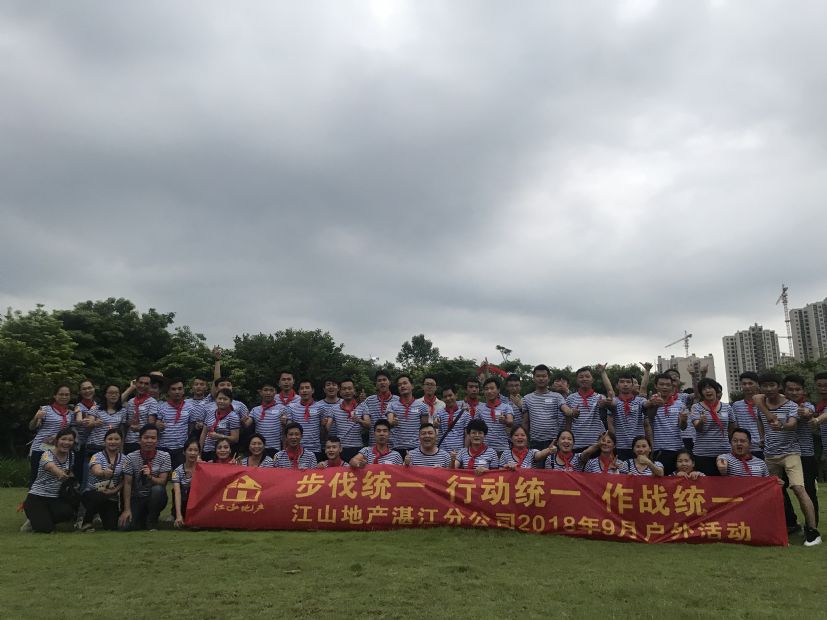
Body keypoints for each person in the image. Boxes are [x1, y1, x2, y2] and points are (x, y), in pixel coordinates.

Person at [753, 373, 821, 546]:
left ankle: (812, 531)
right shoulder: (761, 404)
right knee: (772, 492)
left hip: (794, 453)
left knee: (800, 489)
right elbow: (760, 419)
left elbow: (793, 423)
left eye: (772, 385)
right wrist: (762, 436)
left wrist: (781, 424)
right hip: (770, 455)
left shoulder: (795, 406)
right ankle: (781, 527)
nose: (769, 389)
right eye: (765, 386)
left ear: (778, 387)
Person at [23, 427, 78, 533]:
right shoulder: (46, 454)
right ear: (57, 440)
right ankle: (34, 520)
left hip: (56, 497)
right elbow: (50, 466)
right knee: (47, 529)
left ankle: (40, 519)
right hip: (37, 497)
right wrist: (60, 473)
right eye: (63, 439)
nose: (66, 442)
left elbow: (70, 471)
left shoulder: (71, 455)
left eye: (70, 440)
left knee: (68, 512)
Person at [118, 424, 172, 531]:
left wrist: (150, 477)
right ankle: (142, 520)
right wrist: (126, 509)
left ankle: (152, 520)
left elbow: (163, 481)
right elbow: (127, 484)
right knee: (124, 527)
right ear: (139, 439)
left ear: (157, 440)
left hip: (154, 497)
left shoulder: (165, 456)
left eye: (153, 438)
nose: (149, 441)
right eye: (146, 437)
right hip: (137, 497)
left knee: (158, 489)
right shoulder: (130, 457)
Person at [783, 374, 819, 525]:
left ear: (803, 391)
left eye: (798, 389)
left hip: (805, 455)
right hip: (783, 455)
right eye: (790, 389)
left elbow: (809, 412)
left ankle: (812, 526)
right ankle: (791, 522)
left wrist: (806, 413)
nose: (794, 392)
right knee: (779, 490)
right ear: (784, 390)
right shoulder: (779, 406)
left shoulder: (807, 405)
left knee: (809, 491)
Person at [28, 385, 76, 487]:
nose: (64, 397)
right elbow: (32, 427)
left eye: (67, 395)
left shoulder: (71, 414)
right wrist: (36, 418)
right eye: (61, 394)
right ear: (55, 396)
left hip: (58, 450)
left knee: (56, 478)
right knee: (36, 477)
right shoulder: (45, 409)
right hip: (41, 448)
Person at [80, 428, 124, 531]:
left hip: (111, 496)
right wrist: (104, 473)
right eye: (110, 439)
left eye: (116, 439)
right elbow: (96, 470)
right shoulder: (96, 456)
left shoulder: (125, 459)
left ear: (121, 441)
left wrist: (114, 490)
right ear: (104, 441)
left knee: (112, 527)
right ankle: (86, 522)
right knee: (99, 496)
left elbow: (125, 480)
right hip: (93, 492)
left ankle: (101, 518)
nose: (113, 442)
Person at [521, 365, 572, 455]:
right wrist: (525, 441)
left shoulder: (557, 396)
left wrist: (570, 411)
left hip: (554, 441)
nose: (541, 378)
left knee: (553, 464)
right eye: (538, 376)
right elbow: (525, 422)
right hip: (534, 442)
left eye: (544, 376)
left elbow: (565, 409)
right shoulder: (527, 398)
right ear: (533, 378)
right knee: (537, 464)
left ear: (548, 378)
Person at [646, 373, 689, 475]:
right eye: (661, 384)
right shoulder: (651, 403)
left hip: (678, 450)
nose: (665, 387)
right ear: (656, 386)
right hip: (660, 450)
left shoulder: (679, 404)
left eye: (668, 385)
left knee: (678, 480)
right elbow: (650, 416)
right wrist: (656, 405)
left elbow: (683, 427)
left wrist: (683, 421)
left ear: (672, 386)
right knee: (661, 480)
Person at [690, 378, 735, 476]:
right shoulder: (696, 407)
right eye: (704, 389)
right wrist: (701, 422)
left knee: (724, 481)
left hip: (724, 452)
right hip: (703, 453)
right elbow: (698, 428)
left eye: (710, 388)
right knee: (705, 482)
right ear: (701, 393)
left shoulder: (727, 407)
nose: (707, 391)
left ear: (716, 390)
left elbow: (732, 428)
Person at [604, 370, 650, 461]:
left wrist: (652, 402)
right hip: (620, 446)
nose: (625, 384)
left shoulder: (640, 401)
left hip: (639, 446)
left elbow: (646, 404)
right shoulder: (615, 401)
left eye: (628, 382)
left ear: (632, 385)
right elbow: (610, 423)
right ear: (617, 385)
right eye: (622, 382)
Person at [565, 367, 609, 451]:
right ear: (577, 380)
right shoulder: (570, 398)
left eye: (587, 376)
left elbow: (609, 403)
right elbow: (567, 422)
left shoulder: (600, 397)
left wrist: (605, 403)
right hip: (575, 443)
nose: (584, 379)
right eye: (581, 377)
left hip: (595, 444)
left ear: (592, 379)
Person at [156, 378, 197, 470]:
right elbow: (157, 424)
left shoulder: (190, 408)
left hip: (181, 448)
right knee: (162, 474)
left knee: (179, 474)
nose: (177, 392)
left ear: (183, 391)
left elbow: (191, 426)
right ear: (168, 392)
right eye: (173, 389)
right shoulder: (161, 407)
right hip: (163, 447)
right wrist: (158, 425)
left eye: (179, 389)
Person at [326, 378, 370, 462]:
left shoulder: (362, 406)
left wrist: (359, 420)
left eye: (350, 388)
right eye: (344, 389)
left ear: (354, 391)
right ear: (340, 392)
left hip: (358, 448)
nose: (347, 391)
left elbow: (369, 425)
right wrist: (324, 424)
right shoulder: (334, 408)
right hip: (340, 448)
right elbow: (327, 428)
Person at [284, 380, 329, 461]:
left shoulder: (321, 407)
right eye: (302, 388)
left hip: (315, 449)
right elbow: (288, 430)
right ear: (298, 391)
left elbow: (324, 432)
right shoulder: (291, 407)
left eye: (307, 388)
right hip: (296, 449)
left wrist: (323, 426)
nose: (304, 390)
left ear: (313, 390)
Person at [387, 375, 428, 457]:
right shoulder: (392, 405)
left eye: (405, 383)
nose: (402, 386)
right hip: (395, 449)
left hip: (416, 448)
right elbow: (389, 422)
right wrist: (392, 423)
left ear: (412, 386)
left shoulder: (422, 406)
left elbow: (424, 428)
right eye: (399, 385)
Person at [358, 370, 399, 446]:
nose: (382, 382)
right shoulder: (369, 400)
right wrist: (361, 403)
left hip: (393, 446)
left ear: (389, 382)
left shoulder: (398, 400)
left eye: (384, 380)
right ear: (376, 384)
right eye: (379, 381)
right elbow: (362, 419)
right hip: (373, 445)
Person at [199, 388, 240, 461]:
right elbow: (203, 434)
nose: (222, 401)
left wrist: (219, 436)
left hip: (222, 452)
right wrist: (199, 453)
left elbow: (235, 439)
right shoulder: (210, 413)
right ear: (215, 399)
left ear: (230, 401)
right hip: (207, 450)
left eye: (225, 399)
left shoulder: (233, 417)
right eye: (219, 398)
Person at [246, 380, 285, 457]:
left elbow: (287, 426)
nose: (268, 393)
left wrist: (285, 422)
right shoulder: (255, 409)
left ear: (275, 392)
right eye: (265, 390)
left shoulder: (282, 408)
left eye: (271, 390)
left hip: (275, 448)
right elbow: (246, 424)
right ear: (260, 392)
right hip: (258, 448)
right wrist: (242, 420)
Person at [123, 374, 159, 454]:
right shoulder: (131, 401)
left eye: (146, 384)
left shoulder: (152, 402)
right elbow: (126, 421)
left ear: (149, 386)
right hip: (129, 441)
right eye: (141, 383)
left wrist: (140, 429)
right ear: (136, 383)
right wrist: (131, 388)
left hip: (143, 442)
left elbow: (151, 424)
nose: (143, 386)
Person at [85, 384, 124, 456]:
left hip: (113, 447)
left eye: (116, 393)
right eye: (111, 393)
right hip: (95, 446)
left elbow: (121, 431)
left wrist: (121, 450)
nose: (114, 395)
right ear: (105, 395)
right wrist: (95, 423)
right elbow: (88, 424)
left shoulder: (122, 411)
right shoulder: (96, 408)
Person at [477, 378, 514, 455]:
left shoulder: (506, 407)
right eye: (486, 389)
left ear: (498, 390)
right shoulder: (480, 409)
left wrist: (505, 421)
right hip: (484, 450)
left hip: (502, 449)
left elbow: (510, 422)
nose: (489, 391)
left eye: (492, 388)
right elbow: (476, 427)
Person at [731, 372, 763, 458]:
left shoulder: (765, 403)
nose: (747, 386)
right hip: (744, 449)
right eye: (744, 384)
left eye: (750, 383)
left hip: (763, 447)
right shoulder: (736, 406)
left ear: (757, 384)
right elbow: (735, 427)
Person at [172, 438, 201, 528]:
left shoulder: (203, 469)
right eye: (190, 450)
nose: (193, 453)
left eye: (195, 450)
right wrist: (178, 515)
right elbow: (177, 493)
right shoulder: (177, 471)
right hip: (183, 502)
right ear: (184, 452)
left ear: (199, 453)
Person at [434, 386, 470, 452]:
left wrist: (465, 451)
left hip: (459, 453)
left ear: (456, 396)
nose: (448, 398)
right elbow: (436, 423)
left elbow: (467, 435)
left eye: (450, 395)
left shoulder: (465, 414)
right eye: (445, 397)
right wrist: (436, 424)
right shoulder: (439, 413)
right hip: (442, 452)